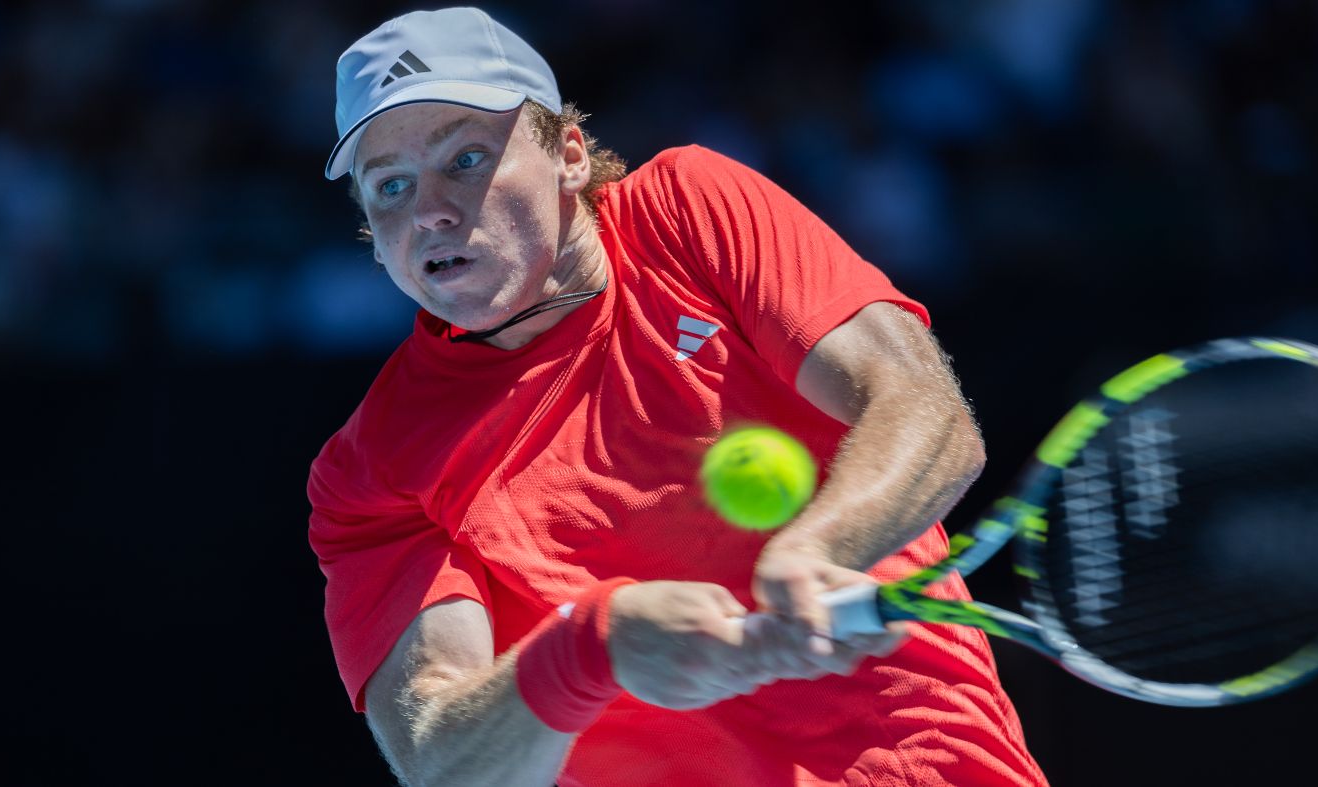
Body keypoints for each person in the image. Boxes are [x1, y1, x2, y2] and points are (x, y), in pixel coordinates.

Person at [307, 7, 1047, 786]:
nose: (429, 210)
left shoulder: (689, 208)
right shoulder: (370, 471)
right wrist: (591, 650)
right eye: (390, 185)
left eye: (464, 158)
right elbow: (441, 759)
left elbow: (923, 409)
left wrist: (820, 550)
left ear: (567, 154)